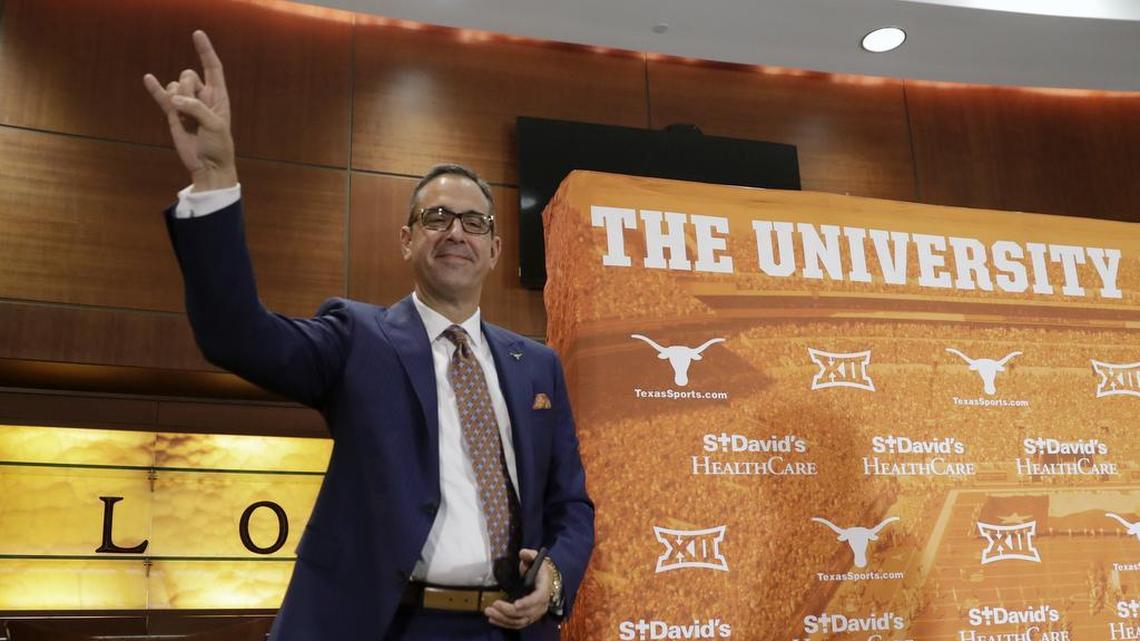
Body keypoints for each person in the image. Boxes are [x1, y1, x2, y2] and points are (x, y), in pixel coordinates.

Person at [143, 31, 594, 641]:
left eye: (473, 222)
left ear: (493, 249)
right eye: (435, 218)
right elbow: (236, 335)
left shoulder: (537, 365)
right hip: (387, 625)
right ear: (407, 241)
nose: (455, 231)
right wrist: (216, 178)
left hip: (511, 629)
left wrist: (557, 574)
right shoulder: (357, 338)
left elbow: (571, 506)